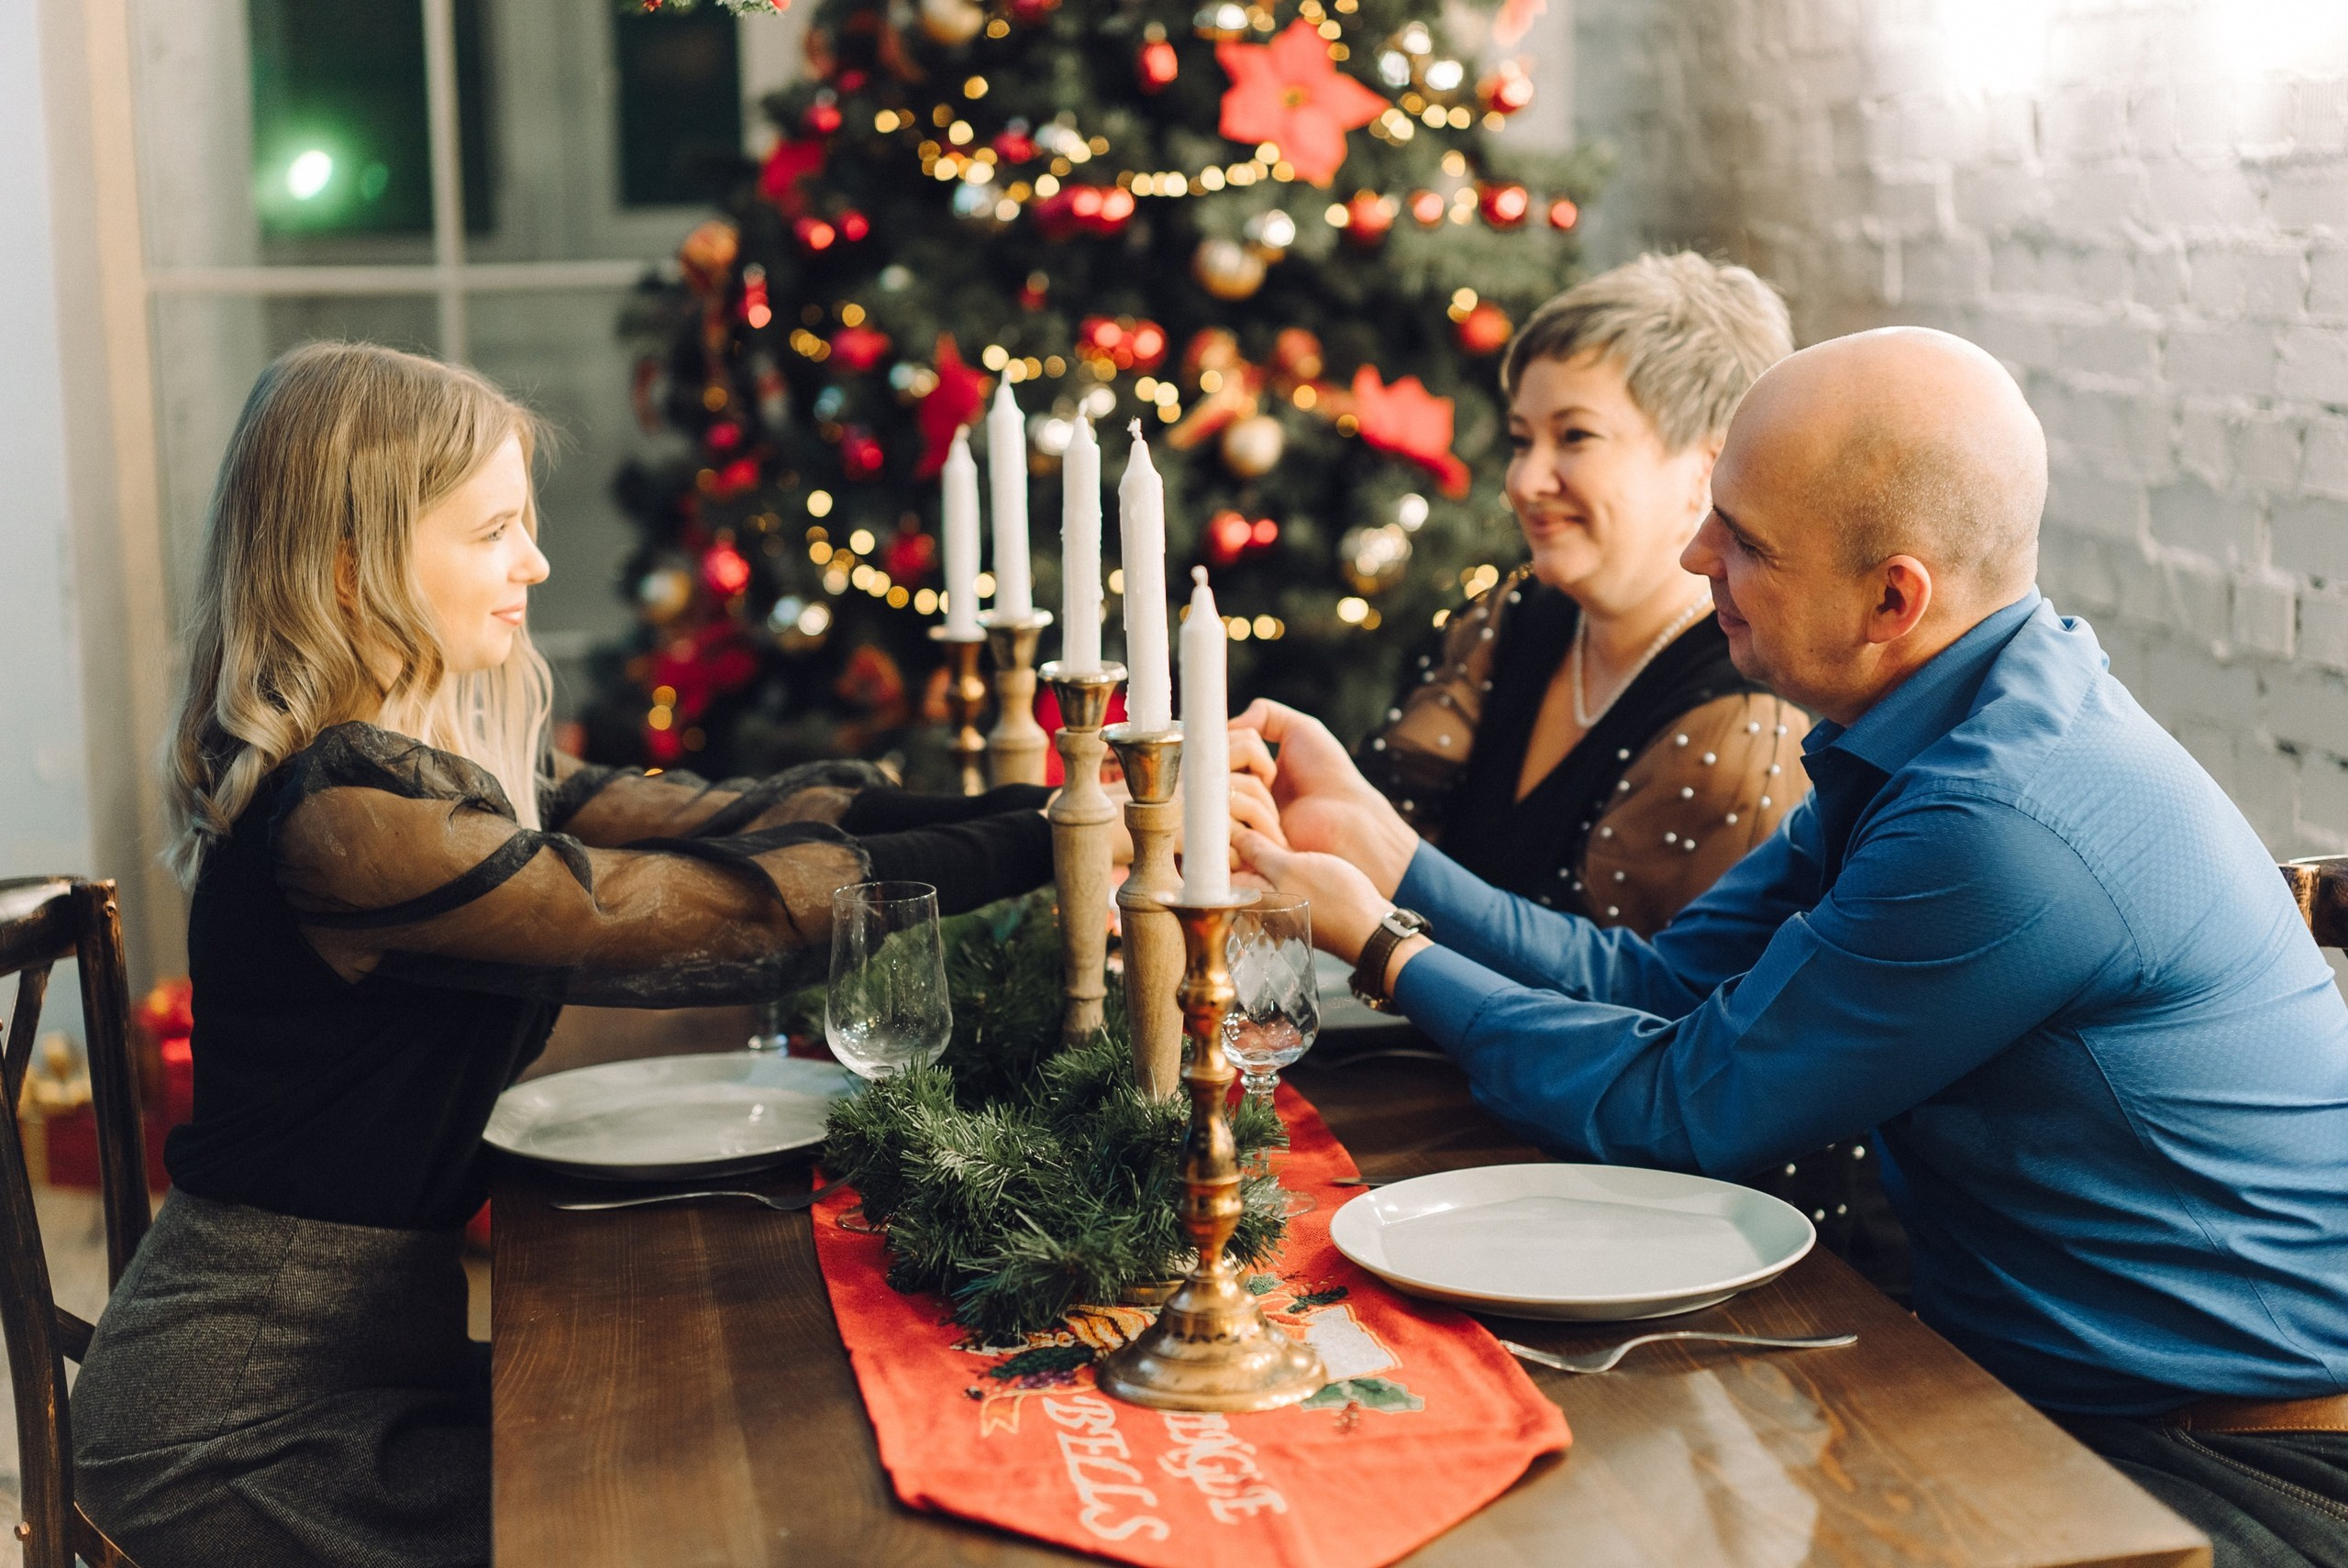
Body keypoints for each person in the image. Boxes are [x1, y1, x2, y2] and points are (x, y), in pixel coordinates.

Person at [67, 342, 1269, 1568]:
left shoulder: (417, 775)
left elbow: (728, 819)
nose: (534, 562)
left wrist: (1083, 798)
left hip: (364, 1363)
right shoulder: (348, 820)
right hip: (233, 1433)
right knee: (696, 1523)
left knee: (718, 1451)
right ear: (346, 564)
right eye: (492, 533)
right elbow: (713, 916)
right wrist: (1054, 836)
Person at [1235, 326, 2348, 1566]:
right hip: (2046, 1396)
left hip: (2239, 1464)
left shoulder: (1996, 818)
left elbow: (1681, 1105)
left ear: (1893, 597)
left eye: (1744, 540)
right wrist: (1382, 857)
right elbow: (1655, 981)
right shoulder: (1943, 720)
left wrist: (1382, 945)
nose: (1693, 553)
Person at [1352, 253, 1904, 1285]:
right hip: (1486, 1120)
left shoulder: (1746, 723)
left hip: (1674, 1227)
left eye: (1574, 439)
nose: (1523, 480)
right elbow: (1377, 819)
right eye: (1520, 439)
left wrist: (1377, 916)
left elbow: (1656, 1040)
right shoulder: (1515, 619)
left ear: (1708, 470)